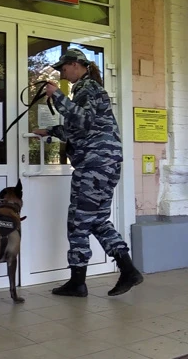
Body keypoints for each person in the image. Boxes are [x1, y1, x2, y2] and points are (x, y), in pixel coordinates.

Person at [32, 48, 143, 297]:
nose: (61, 73)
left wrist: (58, 97)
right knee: (97, 220)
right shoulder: (86, 90)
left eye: (63, 68)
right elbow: (80, 128)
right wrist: (50, 132)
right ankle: (128, 270)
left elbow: (85, 121)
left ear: (74, 65)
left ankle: (78, 282)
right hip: (105, 163)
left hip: (94, 164)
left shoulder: (88, 88)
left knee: (78, 222)